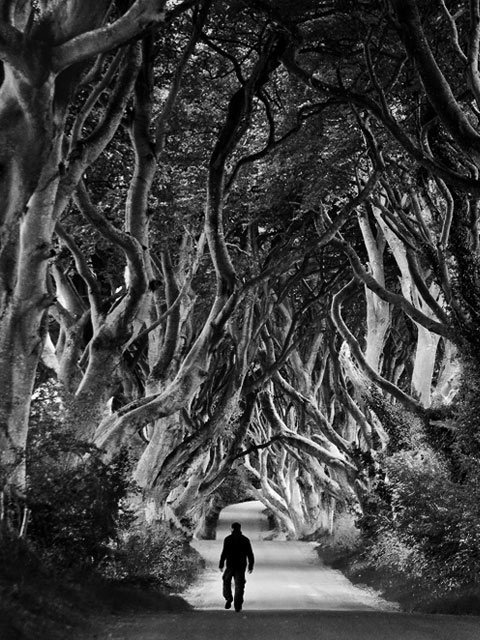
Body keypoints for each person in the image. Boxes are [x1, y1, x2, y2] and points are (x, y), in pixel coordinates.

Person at [219, 521, 254, 612]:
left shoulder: (228, 539)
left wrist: (221, 564)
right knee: (239, 585)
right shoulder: (245, 540)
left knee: (226, 581)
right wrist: (251, 565)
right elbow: (250, 554)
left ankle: (228, 597)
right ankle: (237, 605)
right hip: (241, 566)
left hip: (230, 565)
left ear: (232, 529)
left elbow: (224, 553)